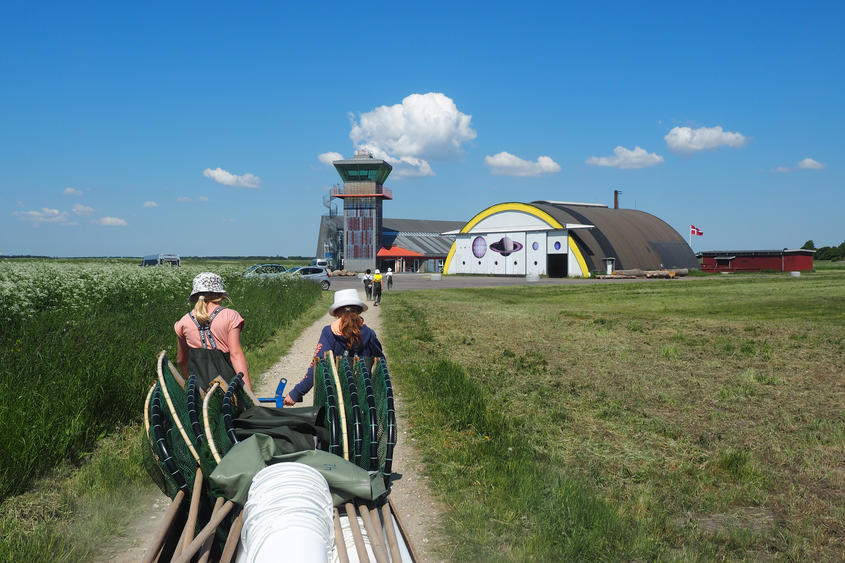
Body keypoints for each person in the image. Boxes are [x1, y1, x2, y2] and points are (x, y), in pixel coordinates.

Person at [284, 289, 384, 405]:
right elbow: (381, 364)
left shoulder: (329, 333)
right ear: (358, 311)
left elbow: (317, 365)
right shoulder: (369, 333)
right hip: (363, 397)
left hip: (336, 398)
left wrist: (296, 393)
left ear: (336, 313)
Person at [174, 272, 252, 391]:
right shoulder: (230, 316)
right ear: (220, 294)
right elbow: (235, 355)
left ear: (195, 295)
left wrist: (189, 382)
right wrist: (248, 391)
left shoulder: (183, 322)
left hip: (198, 388)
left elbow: (181, 360)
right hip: (228, 386)